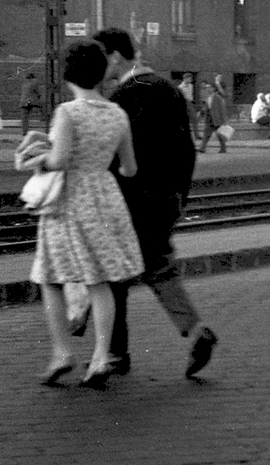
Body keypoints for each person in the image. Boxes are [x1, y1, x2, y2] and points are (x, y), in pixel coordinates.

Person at [92, 28, 218, 380]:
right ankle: (194, 331)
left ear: (115, 56)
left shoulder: (127, 97)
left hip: (134, 201)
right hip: (167, 199)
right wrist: (179, 198)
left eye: (101, 59)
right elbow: (186, 151)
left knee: (113, 274)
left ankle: (116, 354)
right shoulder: (170, 90)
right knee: (158, 267)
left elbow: (119, 158)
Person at [20, 41, 143, 389]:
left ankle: (62, 353)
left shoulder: (68, 113)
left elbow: (58, 160)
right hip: (105, 199)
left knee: (50, 277)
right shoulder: (117, 113)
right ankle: (102, 357)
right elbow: (130, 168)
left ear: (68, 74)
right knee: (100, 280)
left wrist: (37, 159)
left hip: (69, 200)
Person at [197, 81, 229, 154]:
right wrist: (202, 113)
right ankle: (202, 148)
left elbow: (222, 109)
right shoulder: (208, 97)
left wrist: (224, 120)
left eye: (209, 87)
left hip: (216, 119)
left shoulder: (217, 97)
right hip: (209, 118)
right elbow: (206, 107)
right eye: (206, 88)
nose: (207, 89)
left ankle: (223, 148)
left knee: (219, 134)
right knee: (206, 133)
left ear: (213, 88)